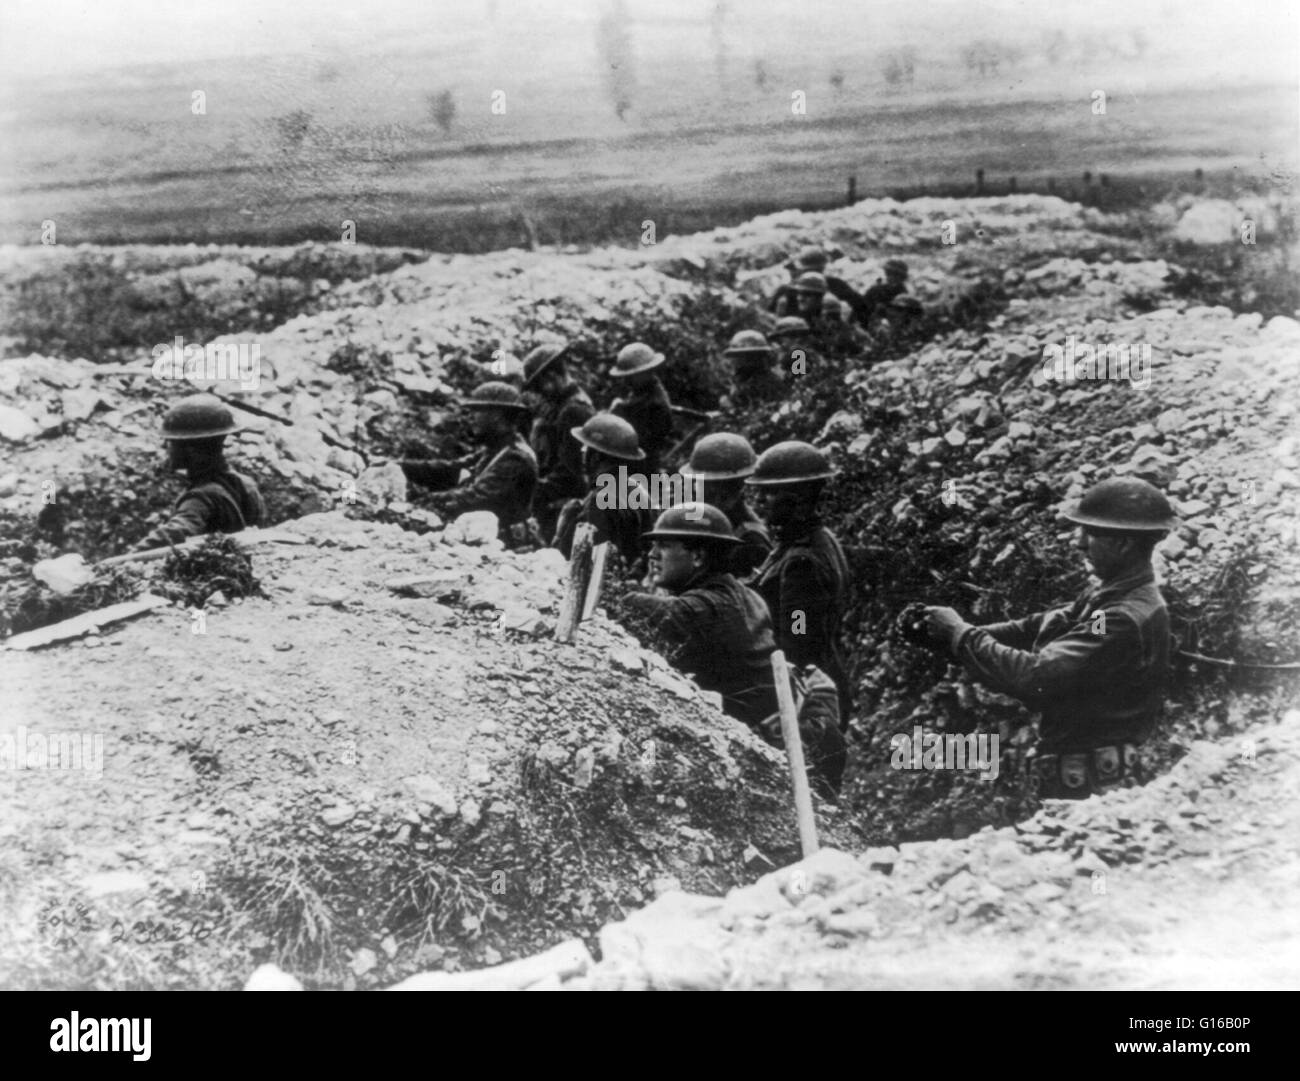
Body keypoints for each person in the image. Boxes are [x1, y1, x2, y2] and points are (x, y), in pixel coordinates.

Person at [921, 477, 1176, 800]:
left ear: (1124, 543)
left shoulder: (1123, 618)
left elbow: (1035, 676)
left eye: (1091, 532)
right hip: (1082, 780)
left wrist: (960, 635)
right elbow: (1038, 626)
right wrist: (950, 637)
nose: (1079, 542)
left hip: (1093, 791)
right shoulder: (1109, 599)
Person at [624, 503, 845, 795]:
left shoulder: (714, 604)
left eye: (663, 546)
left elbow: (798, 621)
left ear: (699, 556)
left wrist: (610, 588)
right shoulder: (741, 588)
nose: (652, 554)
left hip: (796, 740)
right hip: (797, 722)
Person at [747, 441, 854, 727]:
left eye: (768, 493)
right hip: (817, 679)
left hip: (807, 690)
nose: (758, 499)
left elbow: (799, 634)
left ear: (797, 499)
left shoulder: (802, 562)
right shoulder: (809, 541)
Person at [396, 381, 538, 545]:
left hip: (514, 547)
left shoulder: (515, 458)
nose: (470, 418)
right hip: (489, 537)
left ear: (497, 415)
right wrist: (402, 466)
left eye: (476, 412)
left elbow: (476, 496)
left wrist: (428, 500)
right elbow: (451, 469)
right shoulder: (495, 449)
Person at [134, 394, 265, 551]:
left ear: (189, 450)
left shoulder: (200, 498)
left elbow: (176, 532)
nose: (166, 449)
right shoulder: (246, 484)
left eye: (171, 443)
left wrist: (120, 560)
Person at [553, 413, 656, 577]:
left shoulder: (599, 499)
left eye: (586, 449)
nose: (582, 453)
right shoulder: (637, 489)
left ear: (595, 456)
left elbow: (586, 562)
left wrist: (562, 530)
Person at [522, 343, 594, 542]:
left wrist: (531, 491)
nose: (541, 395)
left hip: (561, 506)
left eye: (539, 387)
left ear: (551, 377)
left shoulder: (574, 410)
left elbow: (570, 473)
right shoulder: (563, 405)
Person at [679, 432, 771, 578]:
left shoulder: (750, 542)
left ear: (721, 495)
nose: (694, 491)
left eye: (699, 484)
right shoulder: (715, 528)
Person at [608, 342, 674, 475]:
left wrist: (618, 412)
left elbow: (637, 442)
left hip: (641, 471)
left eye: (631, 376)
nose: (626, 380)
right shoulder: (640, 390)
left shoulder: (656, 405)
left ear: (646, 372)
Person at [719, 330, 783, 410]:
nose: (744, 360)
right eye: (739, 356)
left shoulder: (769, 382)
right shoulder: (741, 379)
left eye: (750, 356)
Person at [769, 245, 829, 317]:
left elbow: (772, 315)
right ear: (823, 267)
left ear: (800, 268)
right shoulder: (838, 285)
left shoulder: (784, 290)